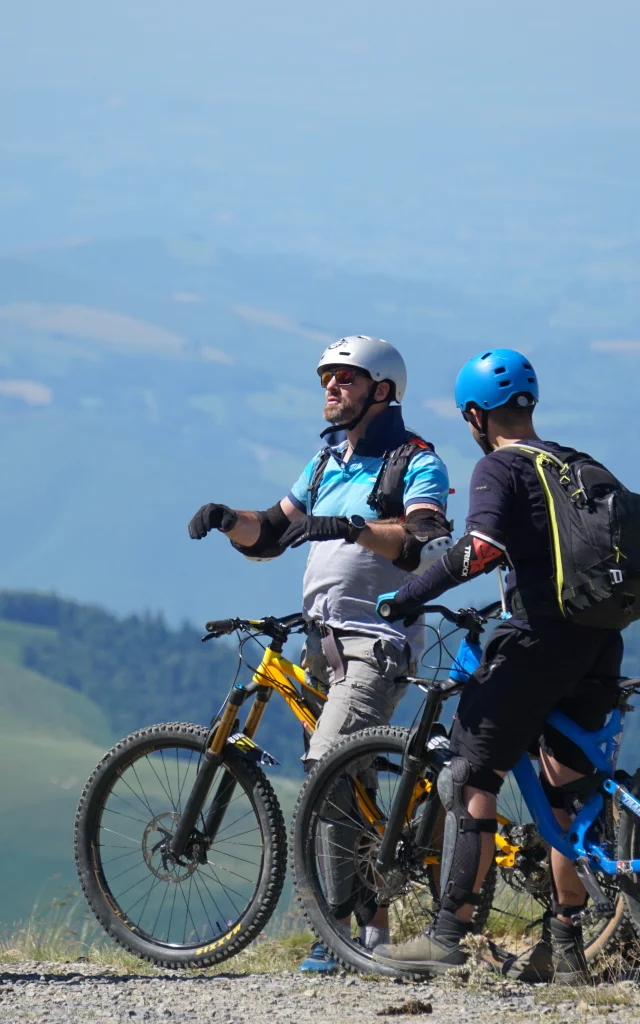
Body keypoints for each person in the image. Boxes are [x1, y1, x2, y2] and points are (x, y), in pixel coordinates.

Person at [188, 335, 451, 972]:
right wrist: (229, 519)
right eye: (327, 378)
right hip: (320, 645)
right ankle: (373, 935)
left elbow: (425, 541)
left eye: (346, 379)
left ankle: (333, 933)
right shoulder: (327, 459)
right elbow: (273, 532)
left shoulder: (416, 461)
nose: (331, 389)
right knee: (348, 781)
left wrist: (354, 527)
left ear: (382, 391)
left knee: (327, 766)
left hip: (376, 646)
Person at [372, 348, 623, 984]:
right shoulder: (577, 462)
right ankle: (567, 949)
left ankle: (447, 934)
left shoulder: (499, 467)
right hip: (600, 638)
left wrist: (408, 594)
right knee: (566, 793)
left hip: (538, 641)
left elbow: (480, 548)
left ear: (476, 415)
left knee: (469, 775)